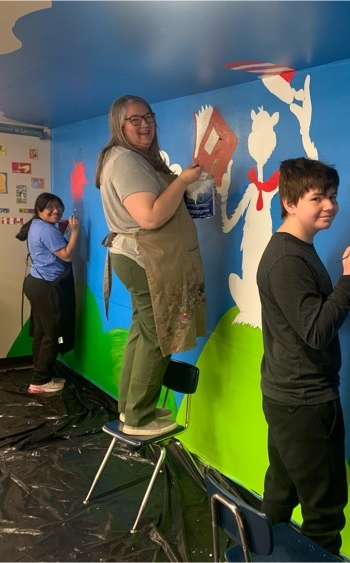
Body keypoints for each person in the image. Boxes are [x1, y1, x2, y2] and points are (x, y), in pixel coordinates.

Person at [256, 157, 350, 555]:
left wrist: (347, 290)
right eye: (317, 197)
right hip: (305, 400)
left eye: (334, 196)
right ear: (289, 201)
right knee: (323, 515)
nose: (330, 206)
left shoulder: (298, 250)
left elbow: (309, 317)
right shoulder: (288, 258)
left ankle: (258, 552)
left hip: (290, 396)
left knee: (281, 492)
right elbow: (317, 331)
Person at [95, 94, 206, 436]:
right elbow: (151, 216)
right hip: (145, 258)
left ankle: (131, 410)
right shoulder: (126, 161)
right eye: (134, 120)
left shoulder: (136, 159)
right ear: (119, 125)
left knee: (144, 332)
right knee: (160, 335)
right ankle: (140, 417)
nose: (144, 124)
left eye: (148, 117)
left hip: (138, 258)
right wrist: (183, 181)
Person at [16, 192, 80, 393]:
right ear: (39, 210)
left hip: (35, 283)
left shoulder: (37, 225)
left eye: (58, 206)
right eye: (50, 208)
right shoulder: (47, 231)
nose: (56, 211)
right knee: (52, 334)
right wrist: (75, 231)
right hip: (46, 287)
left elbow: (48, 238)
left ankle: (41, 374)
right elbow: (67, 256)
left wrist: (60, 226)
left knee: (42, 332)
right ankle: (39, 382)